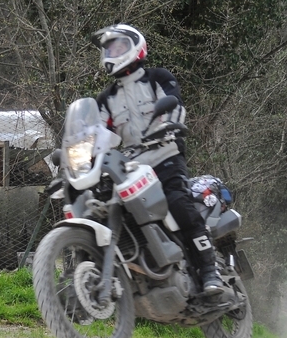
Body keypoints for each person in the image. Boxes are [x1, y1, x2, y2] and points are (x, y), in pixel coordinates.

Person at [90, 23, 222, 295]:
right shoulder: (106, 98)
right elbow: (97, 134)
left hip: (165, 156)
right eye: (108, 49)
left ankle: (210, 270)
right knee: (107, 209)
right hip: (132, 168)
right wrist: (85, 155)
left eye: (118, 47)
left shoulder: (157, 77)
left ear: (135, 46)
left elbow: (174, 102)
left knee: (178, 203)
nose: (112, 53)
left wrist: (168, 125)